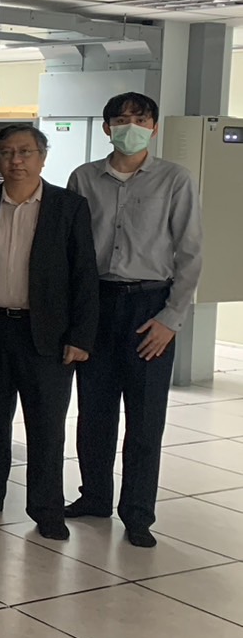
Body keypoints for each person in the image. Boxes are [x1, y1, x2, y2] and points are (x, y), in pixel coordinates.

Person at [0, 124, 98, 541]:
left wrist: (81, 337)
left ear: (42, 157)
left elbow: (85, 275)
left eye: (25, 152)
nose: (16, 160)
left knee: (46, 426)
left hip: (46, 334)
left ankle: (47, 508)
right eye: (7, 152)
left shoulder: (68, 207)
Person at [64, 92, 203, 548]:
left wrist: (171, 319)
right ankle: (94, 496)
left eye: (140, 120)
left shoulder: (175, 179)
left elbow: (190, 253)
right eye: (121, 120)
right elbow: (72, 249)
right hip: (97, 304)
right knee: (94, 411)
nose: (131, 127)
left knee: (145, 418)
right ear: (107, 128)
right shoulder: (84, 177)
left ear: (154, 127)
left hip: (150, 306)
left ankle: (138, 513)